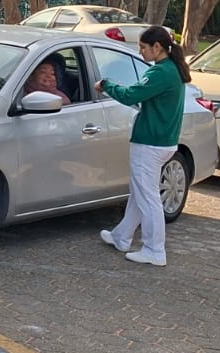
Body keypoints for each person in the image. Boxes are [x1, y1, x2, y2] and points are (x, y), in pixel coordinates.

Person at [94, 26, 190, 267]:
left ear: (157, 47)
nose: (140, 51)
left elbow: (130, 95)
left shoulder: (160, 72)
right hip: (162, 141)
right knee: (139, 194)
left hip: (150, 143)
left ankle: (154, 249)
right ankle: (121, 237)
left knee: (148, 198)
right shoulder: (173, 70)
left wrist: (106, 85)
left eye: (143, 47)